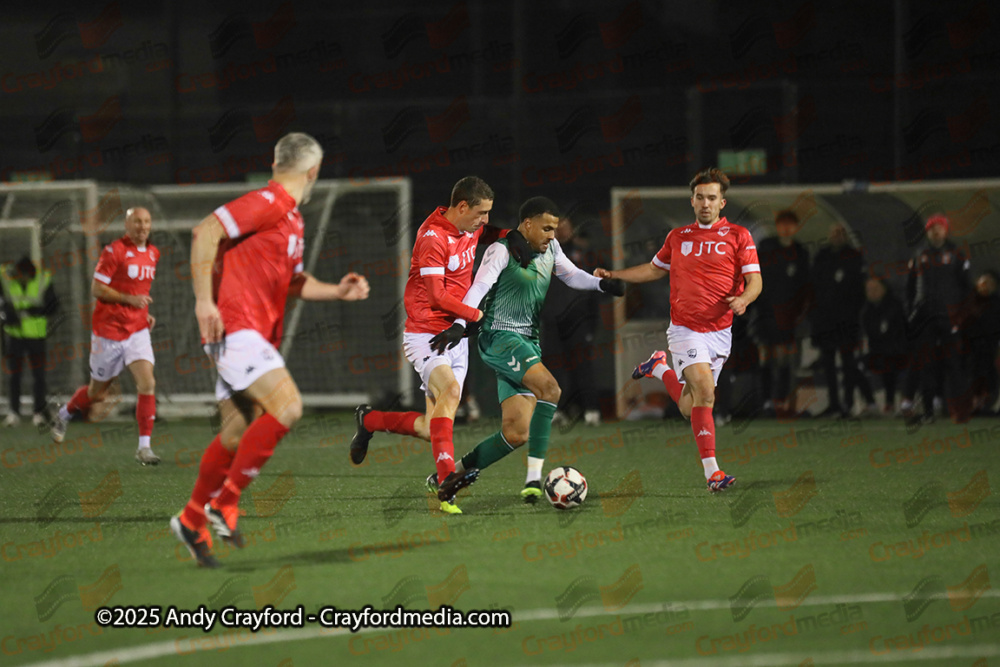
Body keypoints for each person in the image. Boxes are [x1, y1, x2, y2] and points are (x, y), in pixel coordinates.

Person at [169, 132, 370, 568]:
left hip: (250, 335)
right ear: (313, 171)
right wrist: (204, 301)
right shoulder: (271, 200)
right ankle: (224, 503)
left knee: (238, 432)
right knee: (289, 405)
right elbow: (205, 230)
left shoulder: (292, 218)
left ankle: (190, 519)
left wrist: (337, 290)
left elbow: (294, 282)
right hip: (234, 328)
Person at [349, 176, 531, 514]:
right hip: (427, 335)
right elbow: (437, 295)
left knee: (430, 426)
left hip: (455, 335)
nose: (485, 220)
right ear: (462, 207)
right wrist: (477, 315)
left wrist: (510, 235)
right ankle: (447, 481)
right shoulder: (432, 237)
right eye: (481, 213)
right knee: (449, 394)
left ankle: (369, 421)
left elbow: (487, 233)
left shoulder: (470, 225)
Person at [426, 197, 624, 502]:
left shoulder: (552, 248)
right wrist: (459, 323)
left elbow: (571, 274)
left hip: (527, 341)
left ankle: (447, 476)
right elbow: (478, 288)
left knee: (516, 432)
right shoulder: (500, 250)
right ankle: (534, 480)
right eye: (546, 228)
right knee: (551, 390)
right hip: (500, 338)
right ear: (527, 224)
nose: (551, 235)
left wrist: (601, 285)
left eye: (555, 229)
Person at [594, 168, 762, 492]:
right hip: (686, 328)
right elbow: (654, 270)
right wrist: (616, 274)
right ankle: (713, 473)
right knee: (707, 394)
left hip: (720, 332)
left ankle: (659, 369)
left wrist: (743, 299)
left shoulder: (739, 236)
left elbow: (756, 281)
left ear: (722, 202)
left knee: (690, 407)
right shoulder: (678, 237)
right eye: (700, 197)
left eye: (712, 198)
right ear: (692, 200)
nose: (705, 203)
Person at [50, 207, 162, 464]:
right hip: (108, 333)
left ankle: (144, 448)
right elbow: (97, 288)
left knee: (147, 383)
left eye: (146, 222)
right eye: (137, 222)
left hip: (137, 331)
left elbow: (140, 290)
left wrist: (143, 313)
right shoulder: (114, 251)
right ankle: (65, 414)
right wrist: (129, 300)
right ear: (127, 225)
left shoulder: (154, 253)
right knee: (96, 393)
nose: (142, 227)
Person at [900, 214, 971, 424]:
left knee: (954, 364)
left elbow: (967, 288)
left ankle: (960, 411)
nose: (935, 231)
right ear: (927, 232)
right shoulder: (920, 254)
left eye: (939, 227)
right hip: (926, 318)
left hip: (950, 317)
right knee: (926, 364)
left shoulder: (957, 254)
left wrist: (961, 316)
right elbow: (910, 288)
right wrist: (913, 311)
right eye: (932, 228)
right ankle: (929, 412)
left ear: (946, 230)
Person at [540, 216, 602, 426]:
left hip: (578, 322)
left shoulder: (584, 254)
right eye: (557, 228)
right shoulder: (543, 255)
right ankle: (558, 411)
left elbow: (594, 288)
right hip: (552, 321)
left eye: (565, 227)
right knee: (553, 367)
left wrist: (592, 322)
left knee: (583, 366)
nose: (561, 231)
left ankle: (591, 410)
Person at [810, 223, 876, 418]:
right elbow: (813, 288)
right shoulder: (822, 257)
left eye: (841, 233)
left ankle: (847, 404)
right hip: (826, 322)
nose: (837, 236)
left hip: (848, 322)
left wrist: (855, 313)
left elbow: (860, 291)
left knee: (849, 364)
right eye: (834, 233)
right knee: (828, 364)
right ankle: (834, 404)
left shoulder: (854, 257)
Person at [753, 209, 811, 417]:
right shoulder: (766, 250)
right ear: (777, 227)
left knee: (786, 361)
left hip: (789, 319)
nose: (786, 229)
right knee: (766, 359)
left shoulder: (801, 253)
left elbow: (805, 287)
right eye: (782, 224)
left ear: (796, 228)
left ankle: (782, 400)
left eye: (790, 224)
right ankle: (766, 401)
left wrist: (801, 315)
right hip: (766, 315)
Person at [1, 257, 58, 427]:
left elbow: (53, 306)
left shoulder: (44, 280)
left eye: (22, 276)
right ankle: (14, 412)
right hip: (15, 335)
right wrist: (5, 314)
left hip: (36, 336)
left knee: (39, 376)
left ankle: (39, 412)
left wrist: (34, 311)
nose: (19, 279)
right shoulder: (8, 280)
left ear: (28, 274)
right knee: (14, 376)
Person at [861, 278, 909, 415]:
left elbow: (898, 333)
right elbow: (871, 333)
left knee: (890, 361)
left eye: (875, 289)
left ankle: (891, 403)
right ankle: (871, 404)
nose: (872, 293)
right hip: (877, 352)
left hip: (898, 352)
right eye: (869, 290)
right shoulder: (866, 310)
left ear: (884, 288)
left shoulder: (895, 305)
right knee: (854, 367)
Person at [958, 270, 1000, 415]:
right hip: (971, 348)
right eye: (983, 282)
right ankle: (974, 403)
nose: (985, 286)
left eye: (989, 283)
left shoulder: (996, 303)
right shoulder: (969, 302)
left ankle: (987, 404)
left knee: (990, 374)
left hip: (991, 348)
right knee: (973, 373)